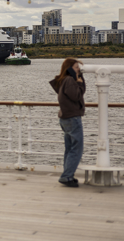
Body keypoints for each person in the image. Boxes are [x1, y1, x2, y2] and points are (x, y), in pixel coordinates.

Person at [49, 58, 86, 188]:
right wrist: (80, 83)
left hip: (65, 118)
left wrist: (79, 79)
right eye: (76, 67)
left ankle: (68, 175)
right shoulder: (70, 80)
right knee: (76, 148)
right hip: (72, 118)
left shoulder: (63, 80)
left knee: (70, 148)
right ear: (69, 68)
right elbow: (76, 96)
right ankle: (66, 176)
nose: (79, 70)